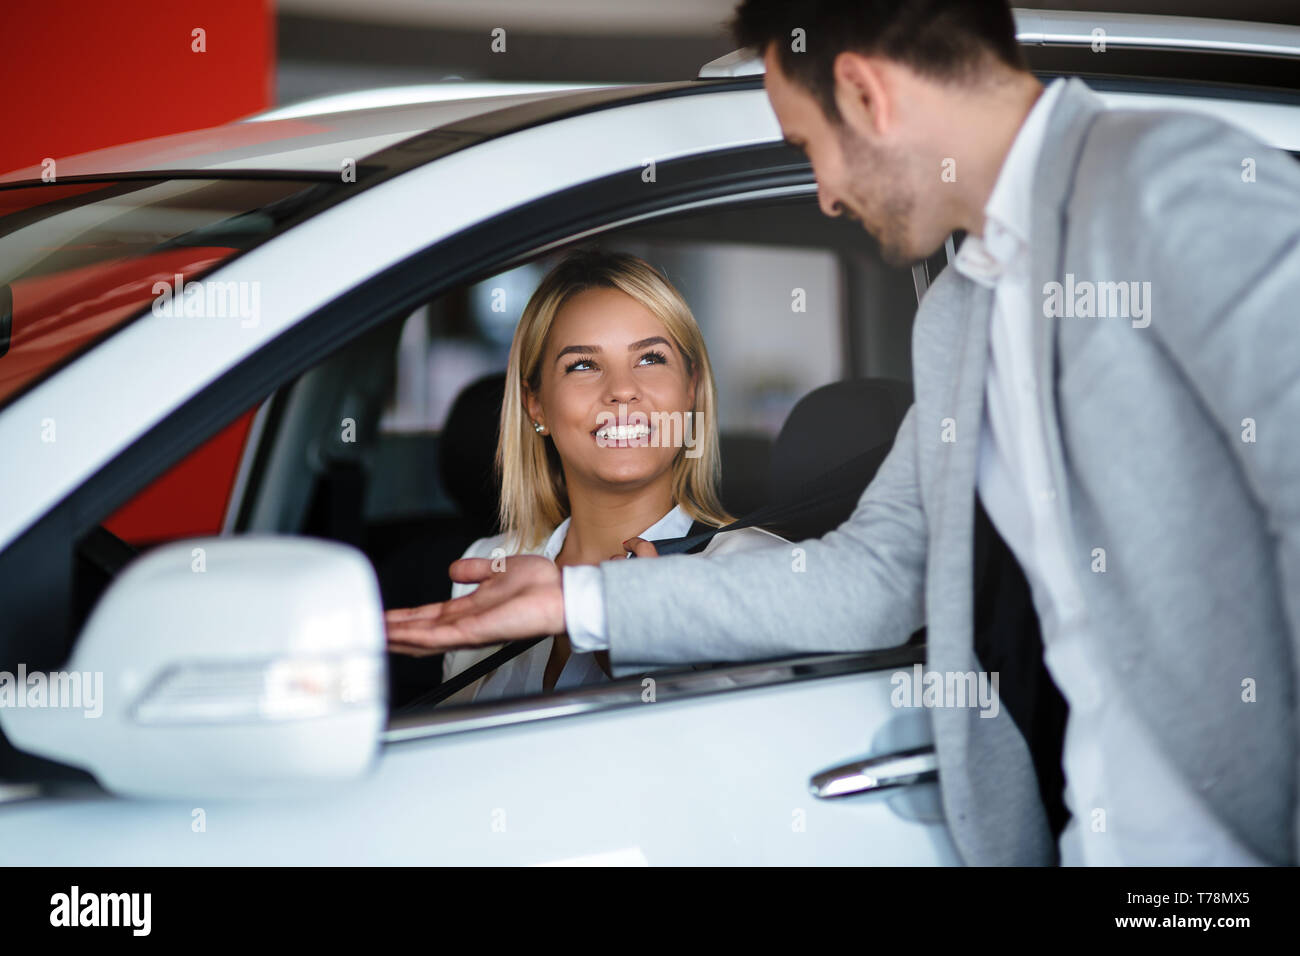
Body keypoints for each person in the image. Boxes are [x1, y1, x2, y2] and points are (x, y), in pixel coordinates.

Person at [384, 0, 1300, 867]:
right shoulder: (962, 308)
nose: (821, 191)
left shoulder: (1165, 186)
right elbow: (878, 577)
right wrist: (575, 602)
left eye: (806, 145)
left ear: (866, 93)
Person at [388, 247, 785, 704]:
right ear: (536, 403)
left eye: (650, 358)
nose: (621, 391)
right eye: (582, 364)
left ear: (691, 388)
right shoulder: (489, 563)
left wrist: (643, 643)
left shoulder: (759, 570)